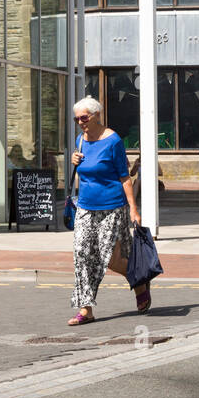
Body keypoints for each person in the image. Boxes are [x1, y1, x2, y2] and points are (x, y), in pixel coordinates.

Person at [67, 96, 146, 325]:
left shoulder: (113, 141)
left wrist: (133, 208)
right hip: (85, 206)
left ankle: (139, 281)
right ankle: (85, 309)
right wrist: (74, 160)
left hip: (112, 207)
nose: (81, 122)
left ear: (97, 115)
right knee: (81, 253)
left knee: (108, 259)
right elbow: (83, 172)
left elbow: (124, 176)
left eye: (84, 117)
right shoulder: (80, 140)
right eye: (77, 119)